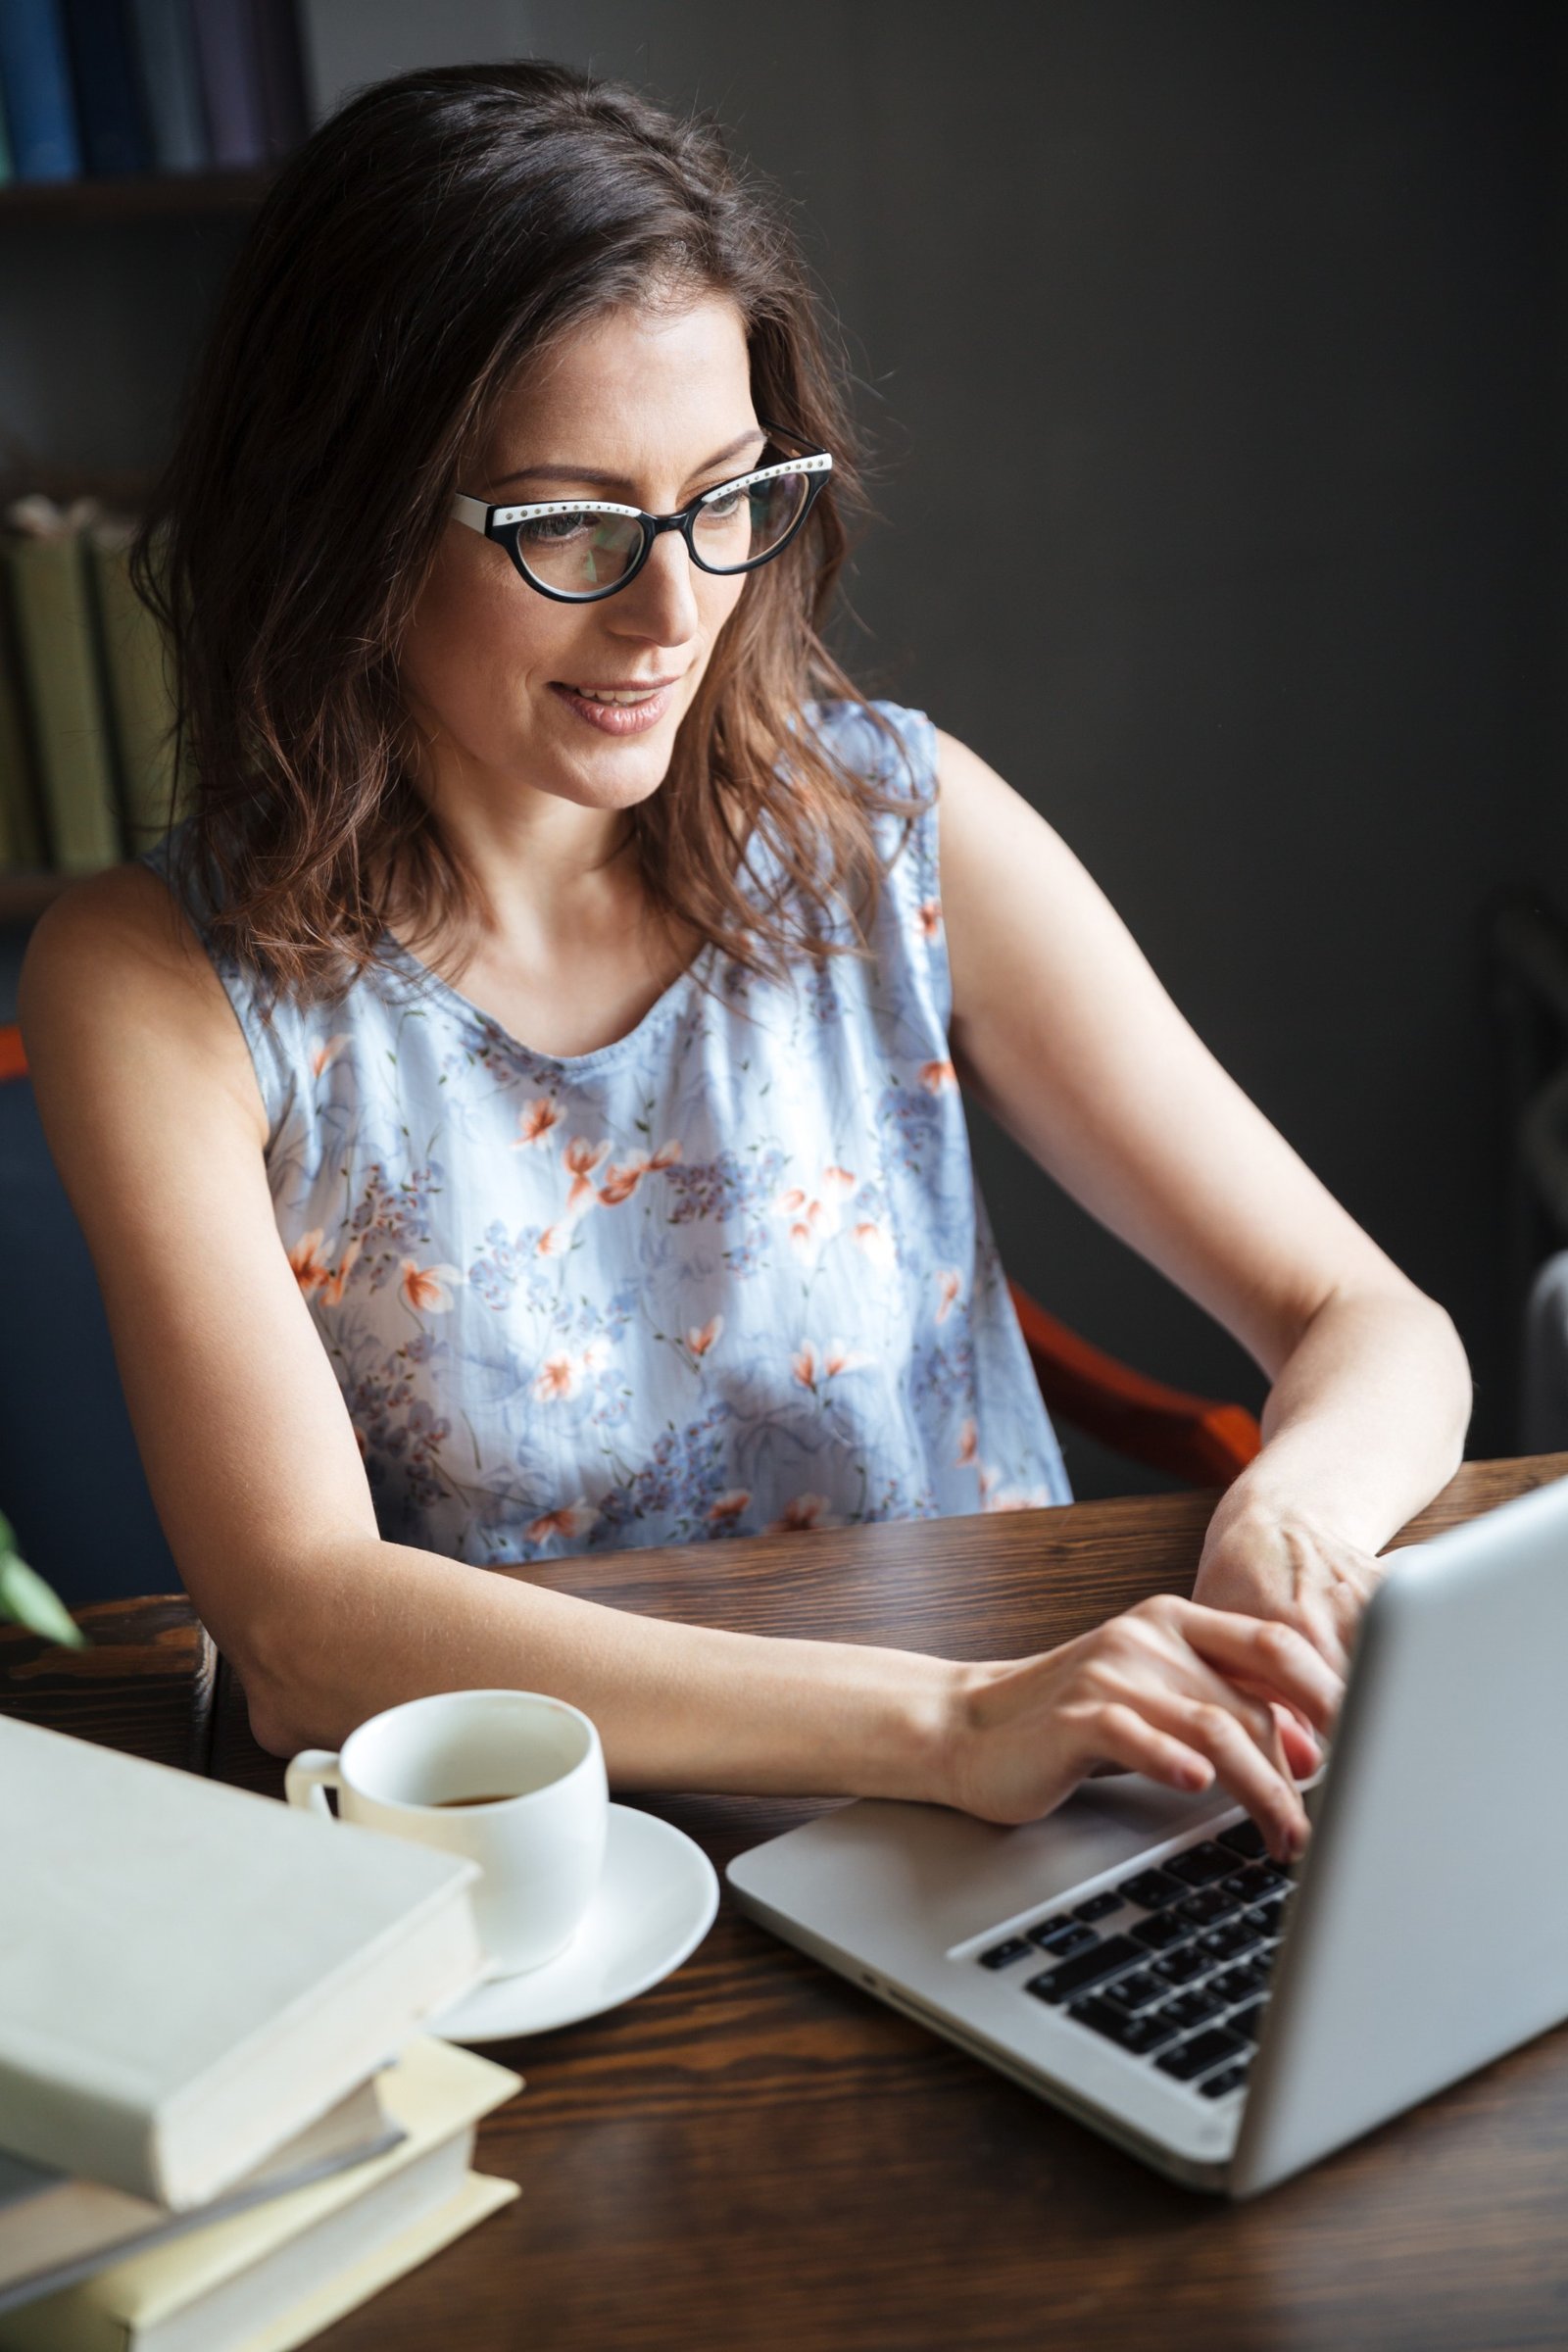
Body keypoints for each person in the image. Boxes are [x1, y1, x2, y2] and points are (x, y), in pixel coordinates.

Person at [20, 62, 1469, 1864]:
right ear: (345, 520)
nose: (676, 608)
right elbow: (309, 1631)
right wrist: (946, 1726)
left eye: (727, 495)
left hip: (1028, 1815)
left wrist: (1296, 1527)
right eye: (568, 522)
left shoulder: (890, 826)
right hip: (571, 1892)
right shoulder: (154, 978)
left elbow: (1374, 1325)